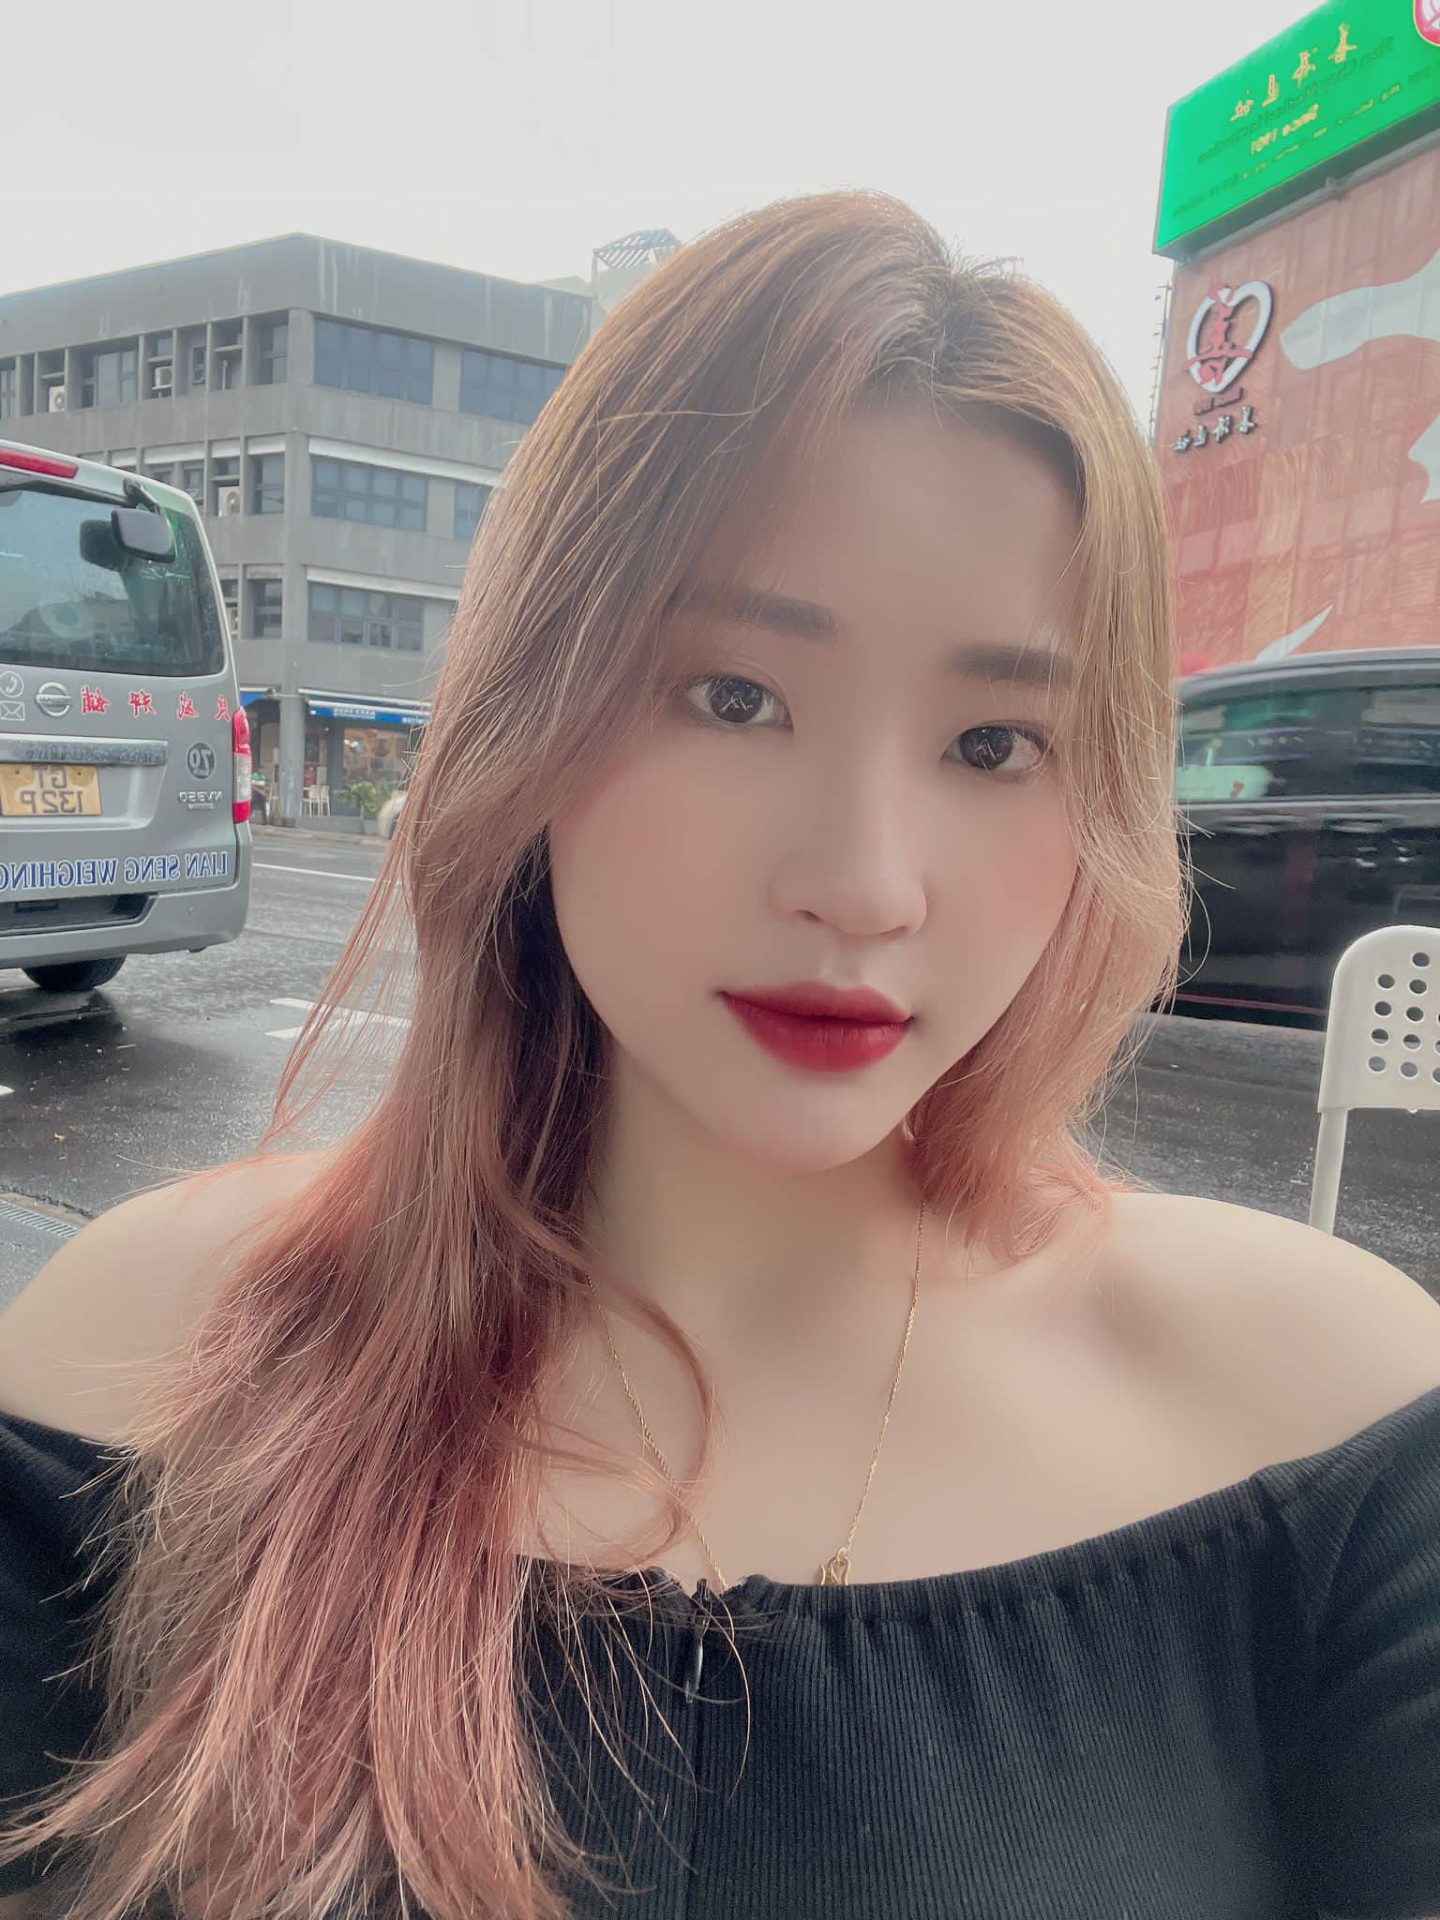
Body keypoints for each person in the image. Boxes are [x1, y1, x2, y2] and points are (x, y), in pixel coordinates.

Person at [1, 189, 1438, 1920]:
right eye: (735, 697)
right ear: (535, 708)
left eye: (995, 743)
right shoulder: (139, 1361)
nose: (865, 883)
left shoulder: (1326, 1419)